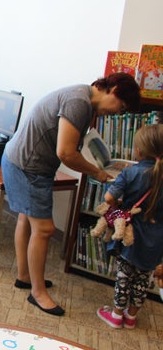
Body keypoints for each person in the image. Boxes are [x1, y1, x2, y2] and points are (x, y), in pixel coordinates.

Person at [1, 72, 142, 316]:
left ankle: (25, 277)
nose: (117, 113)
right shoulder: (79, 103)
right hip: (27, 166)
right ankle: (37, 293)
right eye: (121, 107)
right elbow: (66, 153)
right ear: (114, 90)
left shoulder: (83, 100)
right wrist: (97, 173)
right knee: (44, 229)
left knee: (27, 218)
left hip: (23, 161)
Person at [96, 124, 163, 329]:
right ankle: (131, 317)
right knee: (143, 277)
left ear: (139, 151)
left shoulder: (131, 172)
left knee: (125, 274)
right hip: (157, 236)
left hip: (131, 231)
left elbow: (109, 197)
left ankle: (116, 315)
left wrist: (118, 208)